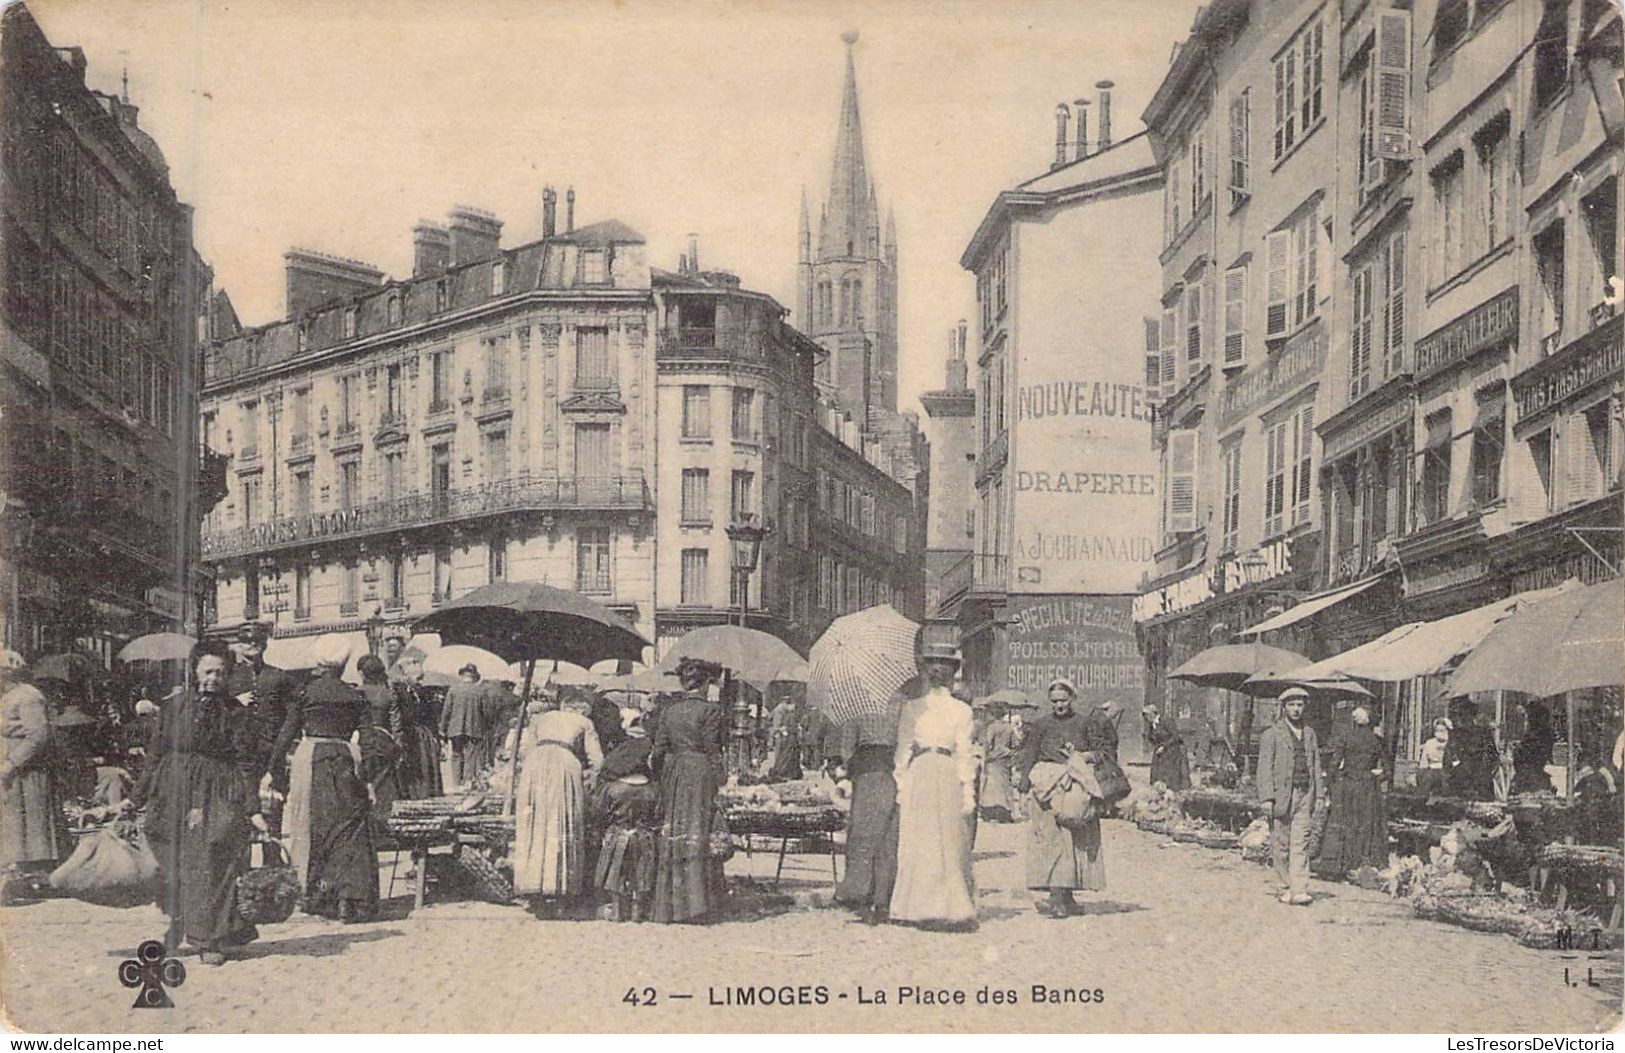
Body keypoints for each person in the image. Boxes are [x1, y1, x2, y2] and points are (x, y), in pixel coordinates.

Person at [131, 648, 266, 965]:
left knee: (212, 857)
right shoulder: (173, 708)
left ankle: (210, 939)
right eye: (207, 671)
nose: (213, 678)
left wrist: (252, 807)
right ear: (194, 672)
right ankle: (180, 922)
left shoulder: (236, 713)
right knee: (172, 859)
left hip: (215, 791)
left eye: (219, 672)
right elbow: (155, 755)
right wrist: (135, 797)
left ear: (227, 675)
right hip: (172, 789)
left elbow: (246, 763)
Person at [265, 634, 378, 923]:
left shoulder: (307, 693)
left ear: (319, 662)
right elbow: (369, 741)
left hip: (311, 757)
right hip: (345, 758)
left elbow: (286, 734)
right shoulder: (356, 696)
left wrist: (273, 770)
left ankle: (318, 896)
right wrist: (368, 779)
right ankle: (349, 899)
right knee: (349, 830)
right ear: (344, 664)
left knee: (312, 826)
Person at [888, 646, 977, 929]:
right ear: (927, 672)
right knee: (919, 839)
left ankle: (949, 908)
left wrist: (967, 791)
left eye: (944, 667)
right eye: (933, 667)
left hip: (947, 771)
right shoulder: (913, 708)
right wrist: (902, 785)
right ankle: (915, 907)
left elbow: (964, 752)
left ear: (952, 673)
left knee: (948, 839)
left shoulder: (962, 711)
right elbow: (903, 750)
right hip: (921, 772)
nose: (938, 672)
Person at [1014, 678, 1115, 919]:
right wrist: (1023, 786)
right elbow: (1030, 754)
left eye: (1064, 700)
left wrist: (1082, 755)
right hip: (1046, 790)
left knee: (1077, 842)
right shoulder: (1041, 725)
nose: (1059, 705)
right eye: (1055, 701)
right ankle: (1056, 898)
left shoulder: (1085, 723)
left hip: (1075, 791)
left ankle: (1067, 896)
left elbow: (1103, 752)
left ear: (1072, 699)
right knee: (1053, 843)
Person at [650, 657, 728, 924]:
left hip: (675, 772)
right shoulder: (711, 711)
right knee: (699, 830)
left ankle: (670, 906)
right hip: (700, 771)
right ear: (705, 683)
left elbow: (658, 750)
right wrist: (721, 777)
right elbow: (712, 746)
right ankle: (698, 905)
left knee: (675, 831)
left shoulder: (668, 711)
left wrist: (663, 777)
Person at [512, 693, 602, 914]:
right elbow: (597, 760)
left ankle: (532, 887)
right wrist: (591, 776)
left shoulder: (541, 718)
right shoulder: (584, 722)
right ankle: (560, 887)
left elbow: (524, 751)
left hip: (535, 764)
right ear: (581, 710)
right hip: (564, 763)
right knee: (562, 821)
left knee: (535, 824)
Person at [833, 687, 906, 922]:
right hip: (893, 771)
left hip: (866, 772)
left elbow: (847, 746)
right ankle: (883, 897)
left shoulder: (857, 704)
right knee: (888, 836)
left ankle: (860, 894)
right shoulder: (902, 703)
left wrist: (846, 771)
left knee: (863, 835)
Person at [1, 653, 65, 883]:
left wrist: (12, 763)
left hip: (28, 771)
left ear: (7, 672)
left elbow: (38, 737)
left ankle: (37, 872)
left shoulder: (29, 697)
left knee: (32, 821)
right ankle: (17, 871)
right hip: (10, 771)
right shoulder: (6, 697)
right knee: (14, 821)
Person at [1256, 687, 1321, 906]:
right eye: (1291, 705)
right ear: (1284, 707)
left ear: (1305, 707)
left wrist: (1319, 794)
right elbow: (1264, 767)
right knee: (1281, 844)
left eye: (1300, 705)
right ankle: (1284, 886)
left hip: (1305, 794)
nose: (1296, 709)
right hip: (1282, 796)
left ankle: (1300, 889)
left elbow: (1316, 764)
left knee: (1301, 842)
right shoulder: (1272, 734)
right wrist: (1266, 798)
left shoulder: (1310, 734)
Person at [593, 712, 660, 922]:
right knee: (642, 874)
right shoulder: (653, 790)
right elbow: (658, 815)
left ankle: (617, 909)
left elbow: (599, 813)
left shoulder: (613, 789)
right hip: (643, 836)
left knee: (616, 873)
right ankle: (638, 910)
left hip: (617, 835)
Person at [1312, 705, 1387, 879]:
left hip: (1348, 786)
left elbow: (1334, 763)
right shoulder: (1378, 741)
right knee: (1366, 825)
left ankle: (1341, 865)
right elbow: (1387, 770)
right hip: (1369, 788)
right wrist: (1374, 776)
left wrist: (1330, 783)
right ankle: (1362, 864)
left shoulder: (1346, 737)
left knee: (1345, 823)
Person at [355, 654, 402, 828]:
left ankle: (367, 827)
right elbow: (396, 726)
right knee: (385, 786)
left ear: (362, 673)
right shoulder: (388, 694)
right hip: (384, 742)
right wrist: (398, 748)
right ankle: (384, 827)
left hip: (362, 741)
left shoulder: (357, 693)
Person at [389, 655, 442, 800]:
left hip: (422, 733)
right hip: (410, 733)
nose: (421, 682)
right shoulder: (399, 691)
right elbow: (396, 716)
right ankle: (416, 794)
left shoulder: (419, 691)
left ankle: (426, 793)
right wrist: (398, 737)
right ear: (407, 676)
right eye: (418, 678)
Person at [440, 663, 494, 788]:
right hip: (474, 728)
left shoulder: (453, 690)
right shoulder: (480, 692)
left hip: (455, 728)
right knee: (470, 755)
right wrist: (488, 725)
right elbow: (487, 713)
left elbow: (446, 711)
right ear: (474, 677)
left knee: (456, 754)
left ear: (462, 675)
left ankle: (456, 783)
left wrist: (442, 729)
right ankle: (467, 782)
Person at [1447, 701, 1499, 800]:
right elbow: (1450, 756)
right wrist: (1457, 768)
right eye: (1460, 715)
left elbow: (1492, 755)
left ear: (1472, 715)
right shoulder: (1456, 734)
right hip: (1461, 779)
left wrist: (1484, 772)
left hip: (1481, 780)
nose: (1462, 718)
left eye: (1466, 714)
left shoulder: (1484, 733)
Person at [976, 704, 1018, 822]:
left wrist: (986, 752)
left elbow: (988, 744)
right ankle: (1008, 810)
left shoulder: (992, 727)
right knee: (1006, 783)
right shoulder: (1009, 727)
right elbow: (1015, 743)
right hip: (1005, 758)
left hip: (993, 758)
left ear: (994, 715)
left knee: (992, 785)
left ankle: (990, 811)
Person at [1511, 702, 1557, 795]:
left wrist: (1517, 749)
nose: (1526, 720)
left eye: (1527, 716)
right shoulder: (1546, 734)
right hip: (1538, 778)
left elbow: (1524, 757)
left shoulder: (1535, 736)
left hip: (1529, 780)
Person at [1144, 704, 1190, 791]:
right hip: (1160, 749)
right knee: (1156, 769)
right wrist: (1156, 745)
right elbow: (1151, 737)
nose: (1146, 719)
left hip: (1172, 748)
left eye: (1147, 715)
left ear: (1152, 714)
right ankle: (1159, 787)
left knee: (1170, 771)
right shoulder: (1152, 724)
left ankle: (1172, 789)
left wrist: (1164, 747)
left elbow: (1175, 736)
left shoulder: (1167, 721)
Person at [766, 694, 805, 782]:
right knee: (784, 755)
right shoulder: (782, 710)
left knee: (785, 755)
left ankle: (785, 771)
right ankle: (783, 772)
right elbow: (778, 724)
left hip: (787, 736)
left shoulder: (784, 711)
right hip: (785, 736)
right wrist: (782, 730)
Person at [1416, 719, 1453, 796]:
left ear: (1447, 731)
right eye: (1437, 730)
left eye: (1442, 730)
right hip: (1431, 772)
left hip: (1448, 772)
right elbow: (1423, 762)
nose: (1439, 733)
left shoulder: (1451, 744)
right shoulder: (1429, 743)